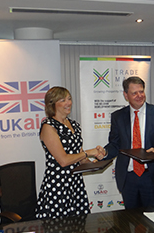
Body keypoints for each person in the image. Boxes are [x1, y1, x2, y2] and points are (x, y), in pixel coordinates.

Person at [100, 76, 154, 209]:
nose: (139, 96)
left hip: (153, 177)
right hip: (128, 178)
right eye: (134, 93)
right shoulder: (118, 117)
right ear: (126, 95)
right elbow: (115, 144)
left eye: (141, 91)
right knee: (131, 222)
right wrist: (105, 152)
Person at [36, 86, 104, 219]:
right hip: (58, 185)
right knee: (57, 230)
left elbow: (79, 158)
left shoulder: (75, 125)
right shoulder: (49, 126)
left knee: (79, 229)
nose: (69, 103)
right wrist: (88, 152)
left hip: (76, 184)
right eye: (63, 100)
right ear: (52, 104)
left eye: (69, 99)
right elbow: (64, 160)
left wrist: (94, 161)